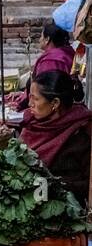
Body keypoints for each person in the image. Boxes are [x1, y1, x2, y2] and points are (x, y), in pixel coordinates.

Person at [19, 70, 91, 205]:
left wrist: (52, 185)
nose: (29, 104)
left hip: (64, 210)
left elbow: (88, 185)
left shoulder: (80, 134)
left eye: (35, 98)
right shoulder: (32, 124)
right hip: (32, 202)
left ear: (55, 103)